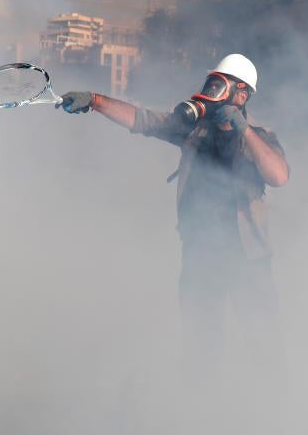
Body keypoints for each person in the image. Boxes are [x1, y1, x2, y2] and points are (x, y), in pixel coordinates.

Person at [58, 54, 289, 393]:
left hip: (248, 260)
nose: (211, 92)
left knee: (264, 345)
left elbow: (279, 175)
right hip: (201, 255)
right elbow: (142, 120)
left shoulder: (260, 137)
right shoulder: (194, 130)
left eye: (221, 86)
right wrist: (94, 101)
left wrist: (242, 127)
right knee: (200, 346)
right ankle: (196, 415)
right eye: (211, 83)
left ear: (242, 94)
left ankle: (276, 414)